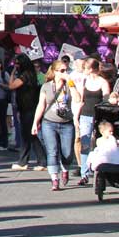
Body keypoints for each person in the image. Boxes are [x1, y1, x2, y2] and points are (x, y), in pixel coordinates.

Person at [32, 61, 78, 191]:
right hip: (49, 122)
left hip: (66, 123)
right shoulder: (46, 86)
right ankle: (55, 179)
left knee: (67, 152)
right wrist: (36, 122)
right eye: (62, 71)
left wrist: (70, 82)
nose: (65, 73)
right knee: (52, 151)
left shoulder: (69, 85)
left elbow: (78, 99)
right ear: (55, 71)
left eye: (66, 70)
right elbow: (41, 105)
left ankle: (65, 169)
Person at [75, 57, 109, 186]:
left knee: (100, 143)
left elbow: (106, 99)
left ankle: (99, 170)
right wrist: (76, 117)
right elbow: (80, 100)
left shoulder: (102, 82)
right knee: (85, 142)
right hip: (85, 114)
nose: (84, 70)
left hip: (99, 115)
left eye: (85, 68)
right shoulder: (84, 81)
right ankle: (85, 173)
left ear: (91, 69)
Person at [9, 55, 43, 170]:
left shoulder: (24, 76)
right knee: (30, 136)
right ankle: (39, 161)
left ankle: (24, 161)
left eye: (18, 64)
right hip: (27, 108)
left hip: (27, 109)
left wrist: (13, 73)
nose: (16, 66)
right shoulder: (31, 74)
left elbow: (11, 86)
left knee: (27, 136)